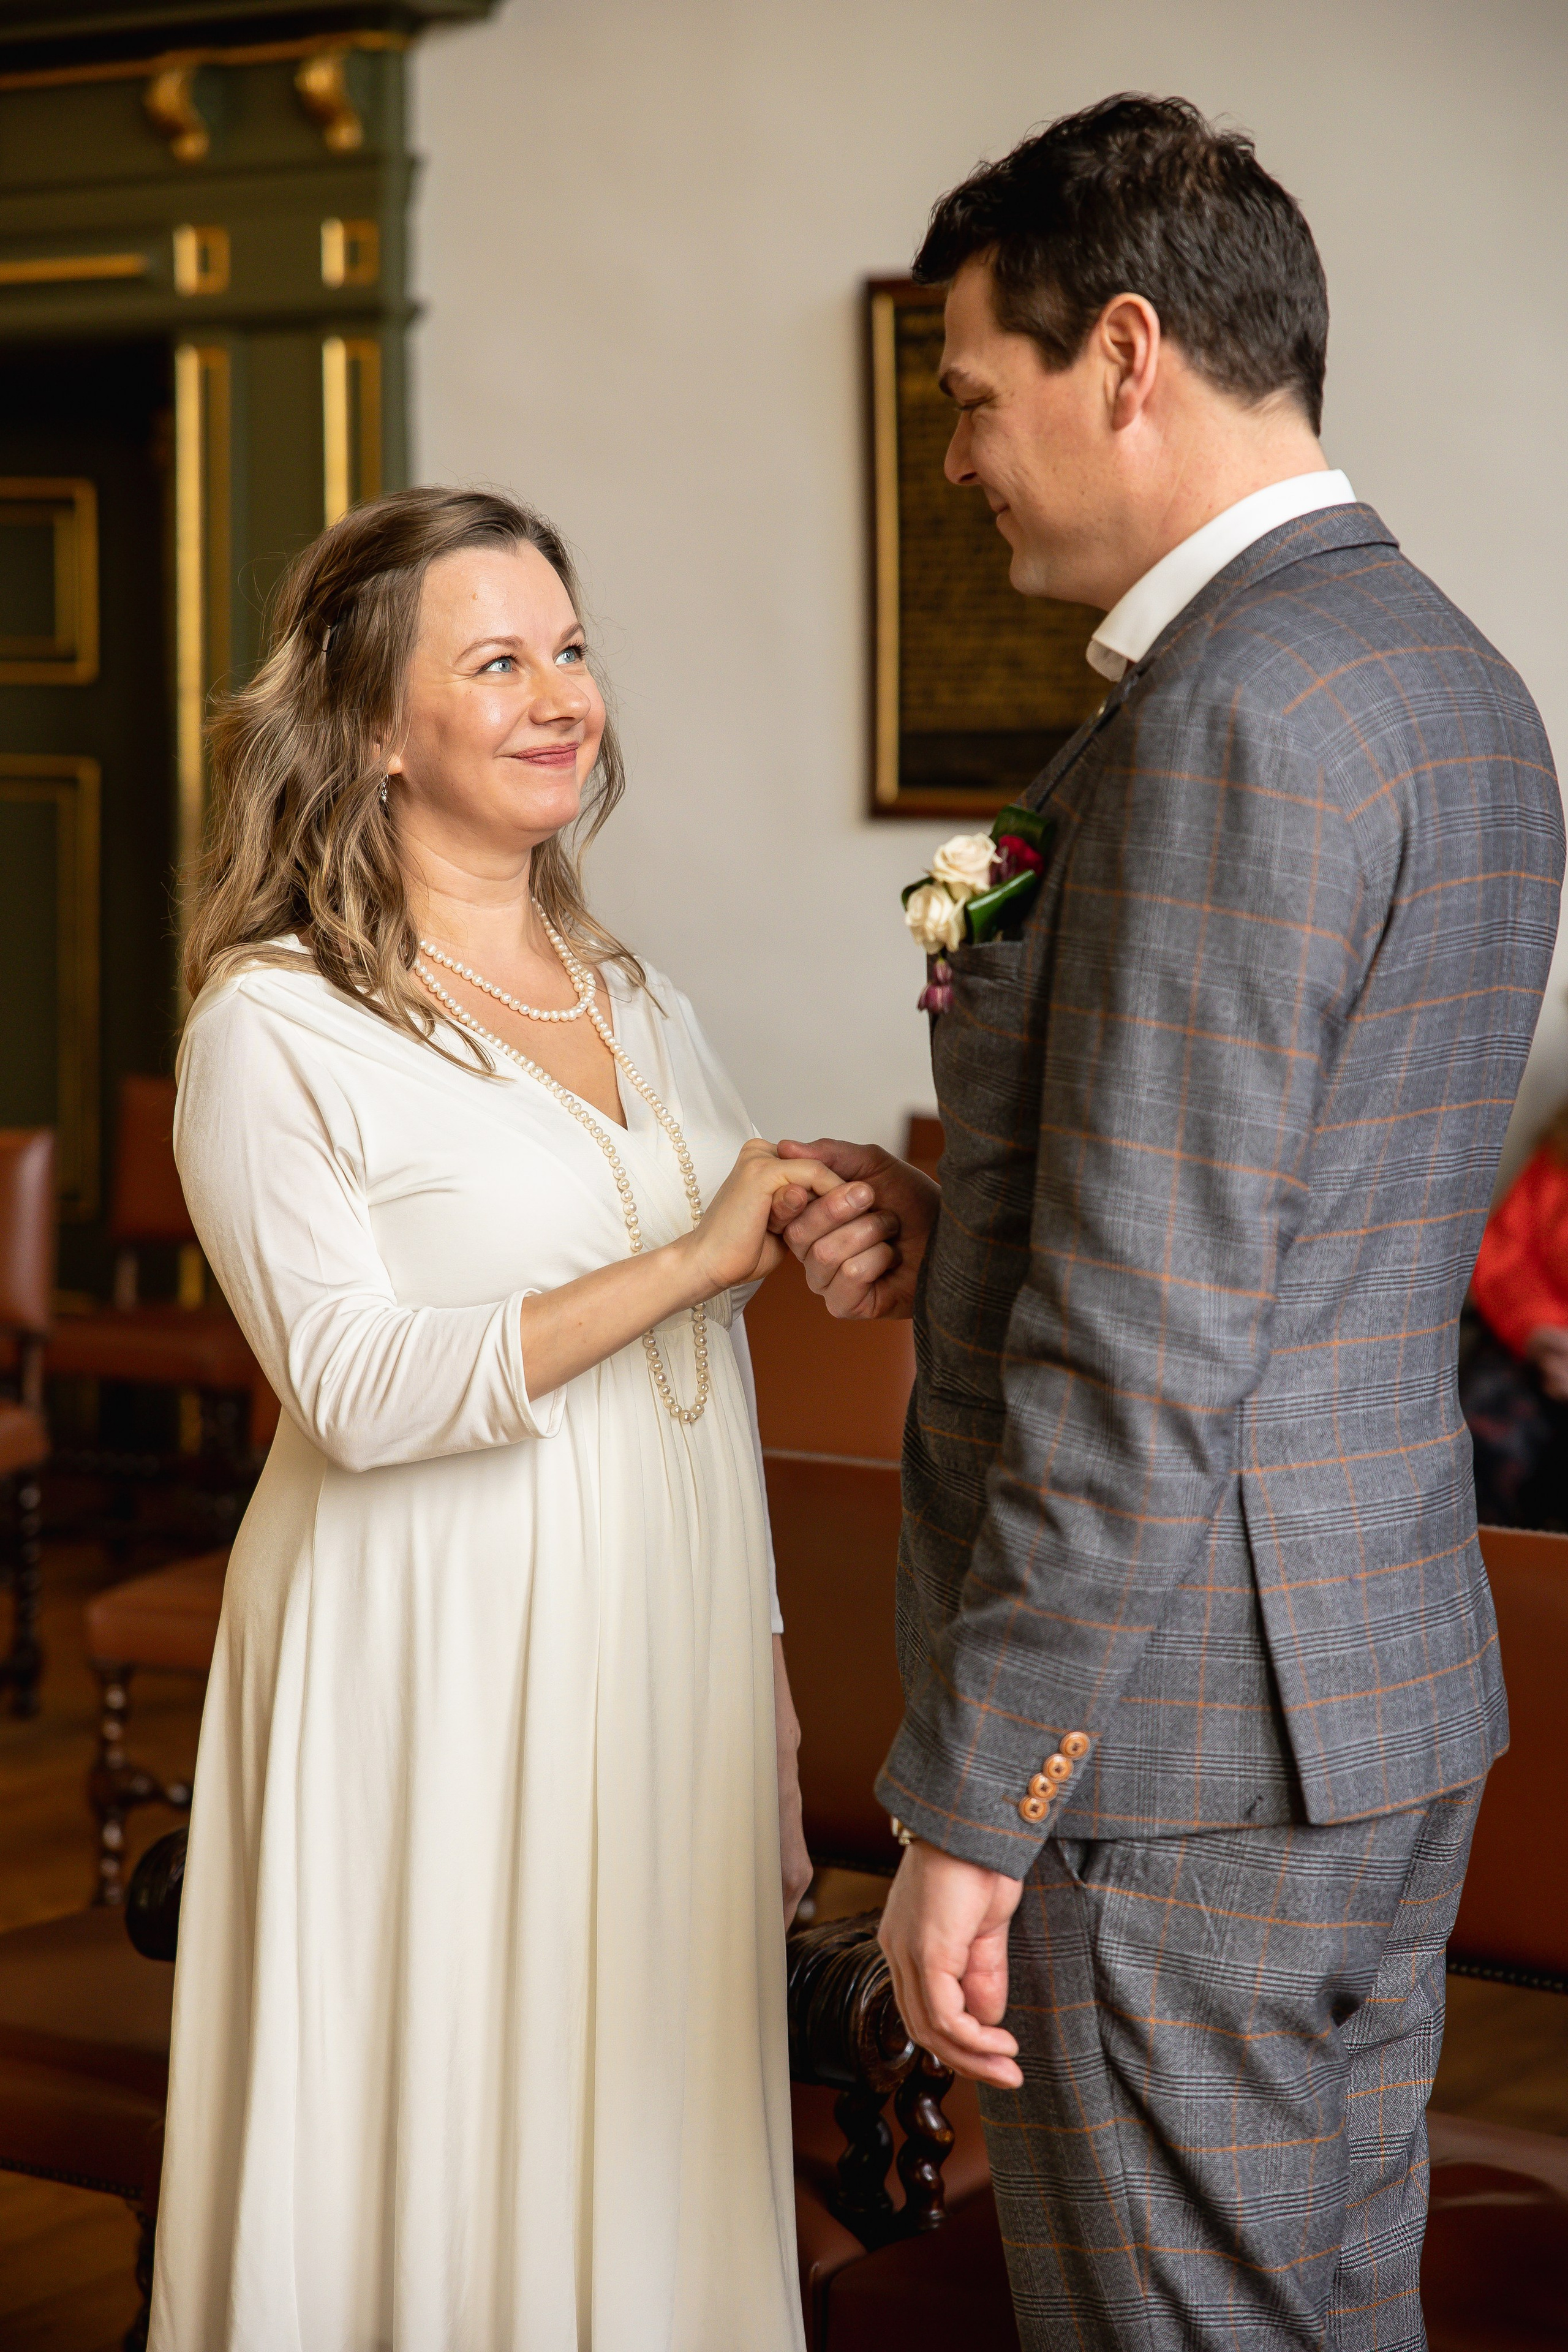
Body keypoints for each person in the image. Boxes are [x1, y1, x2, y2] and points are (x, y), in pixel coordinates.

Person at [778, 94, 1564, 2352]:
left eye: (968, 399)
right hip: (1373, 1695)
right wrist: (970, 1223)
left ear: (1120, 353)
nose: (954, 459)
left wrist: (970, 1807)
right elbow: (1294, 1215)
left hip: (1173, 1759)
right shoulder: (1442, 676)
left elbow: (1146, 1348)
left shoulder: (1225, 716)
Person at [150, 487, 827, 2351]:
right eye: (499, 661)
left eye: (574, 650)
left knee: (644, 2104)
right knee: (447, 2102)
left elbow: (714, 1377)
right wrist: (697, 1257)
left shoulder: (637, 991)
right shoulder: (274, 1027)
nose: (559, 698)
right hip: (428, 1647)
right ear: (377, 724)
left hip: (658, 1638)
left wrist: (761, 1688)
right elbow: (356, 1390)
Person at [1461, 1101, 1568, 1528]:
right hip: (1539, 1350)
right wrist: (1542, 1332)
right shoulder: (1560, 1150)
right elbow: (1507, 1254)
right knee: (1476, 1443)